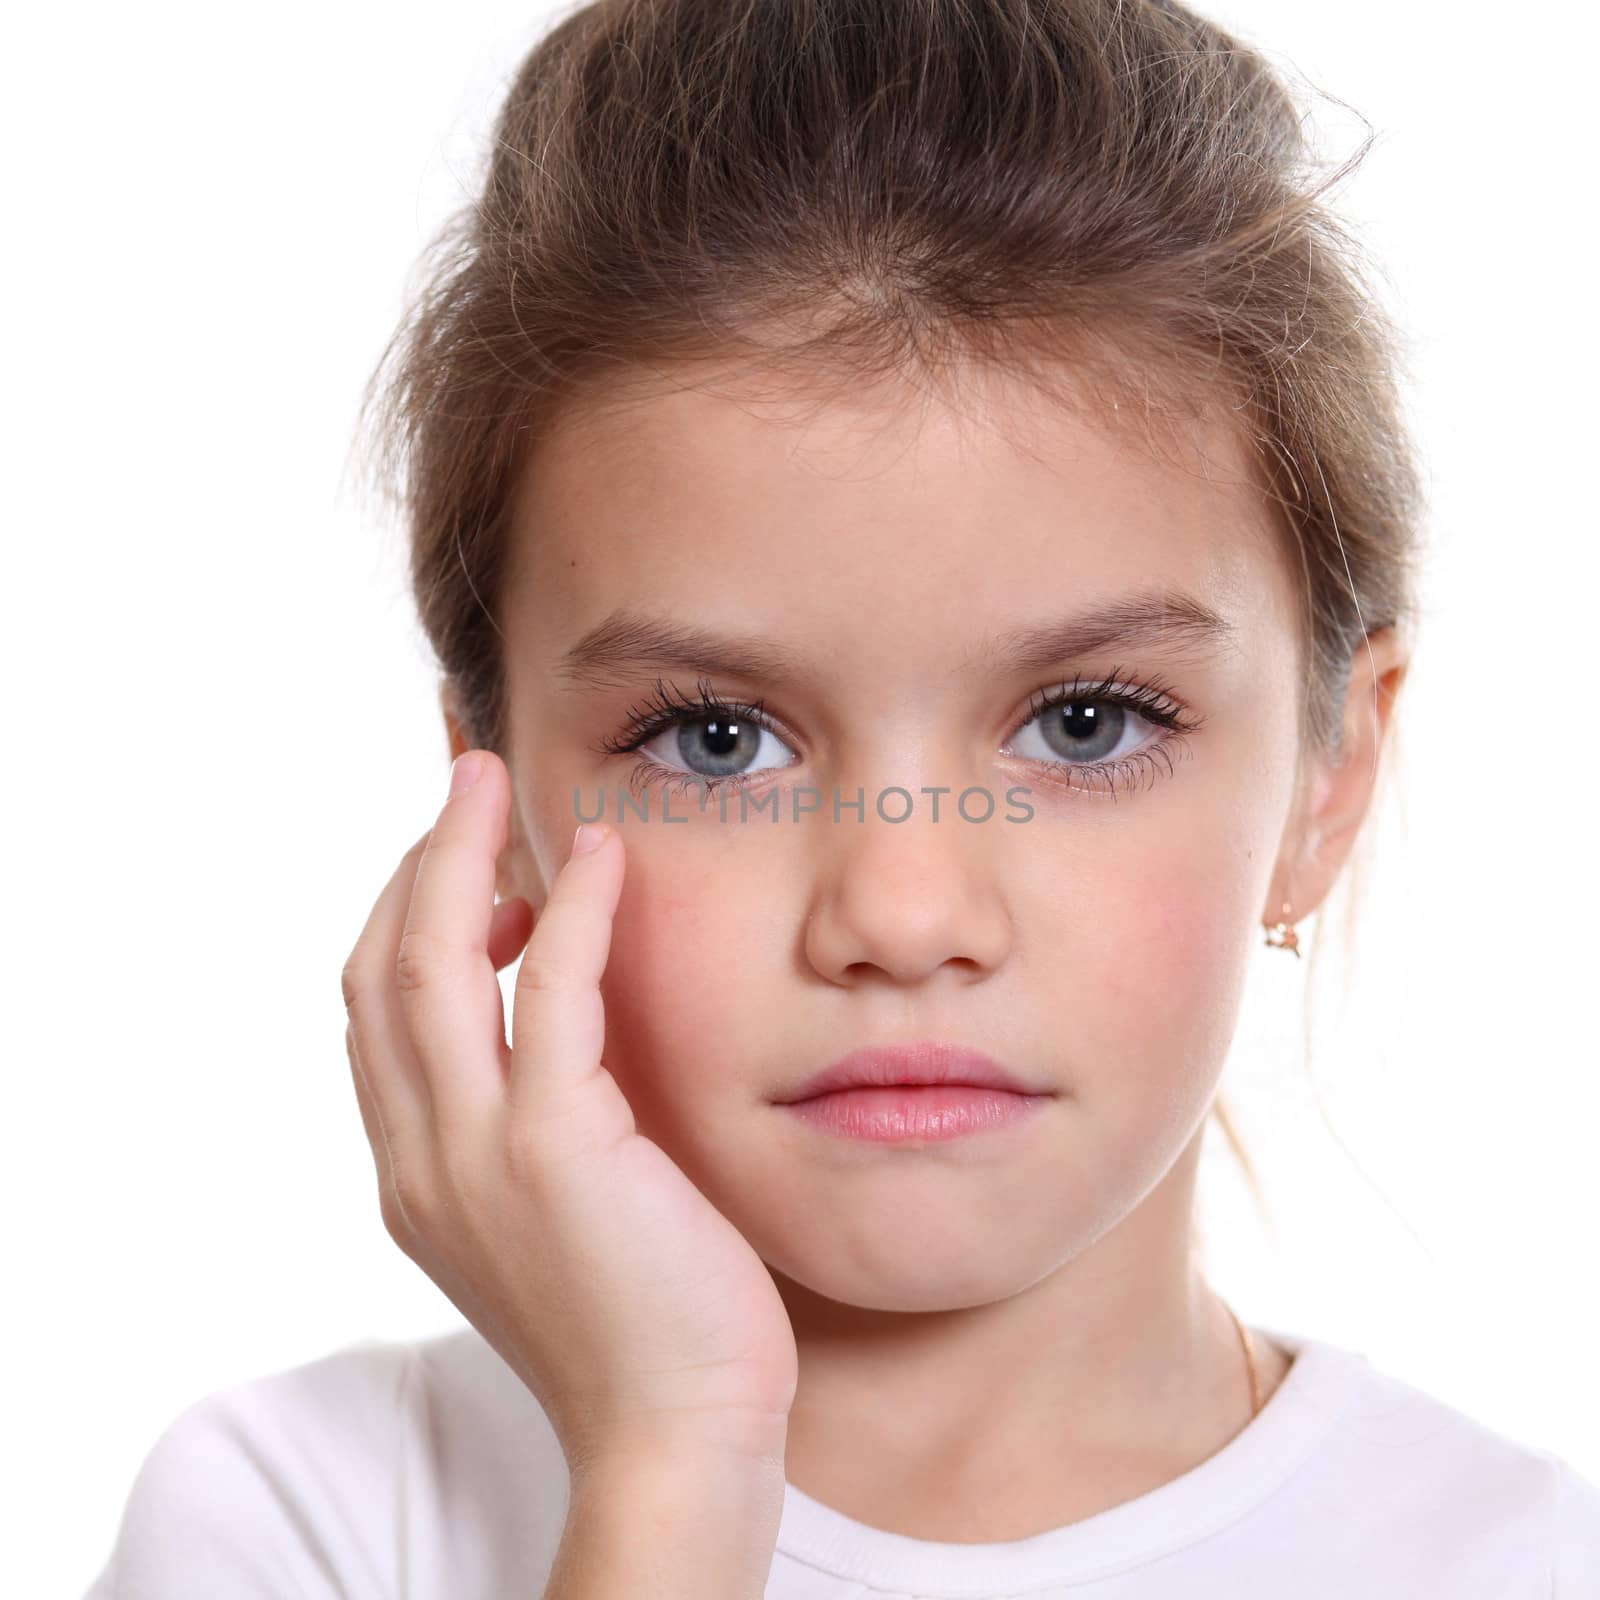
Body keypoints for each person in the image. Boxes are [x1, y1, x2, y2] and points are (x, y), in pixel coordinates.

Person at [83, 0, 1600, 1595]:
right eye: (717, 739)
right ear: (496, 801)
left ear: (1328, 778)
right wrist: (671, 1461)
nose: (902, 914)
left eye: (1084, 724)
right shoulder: (306, 1523)